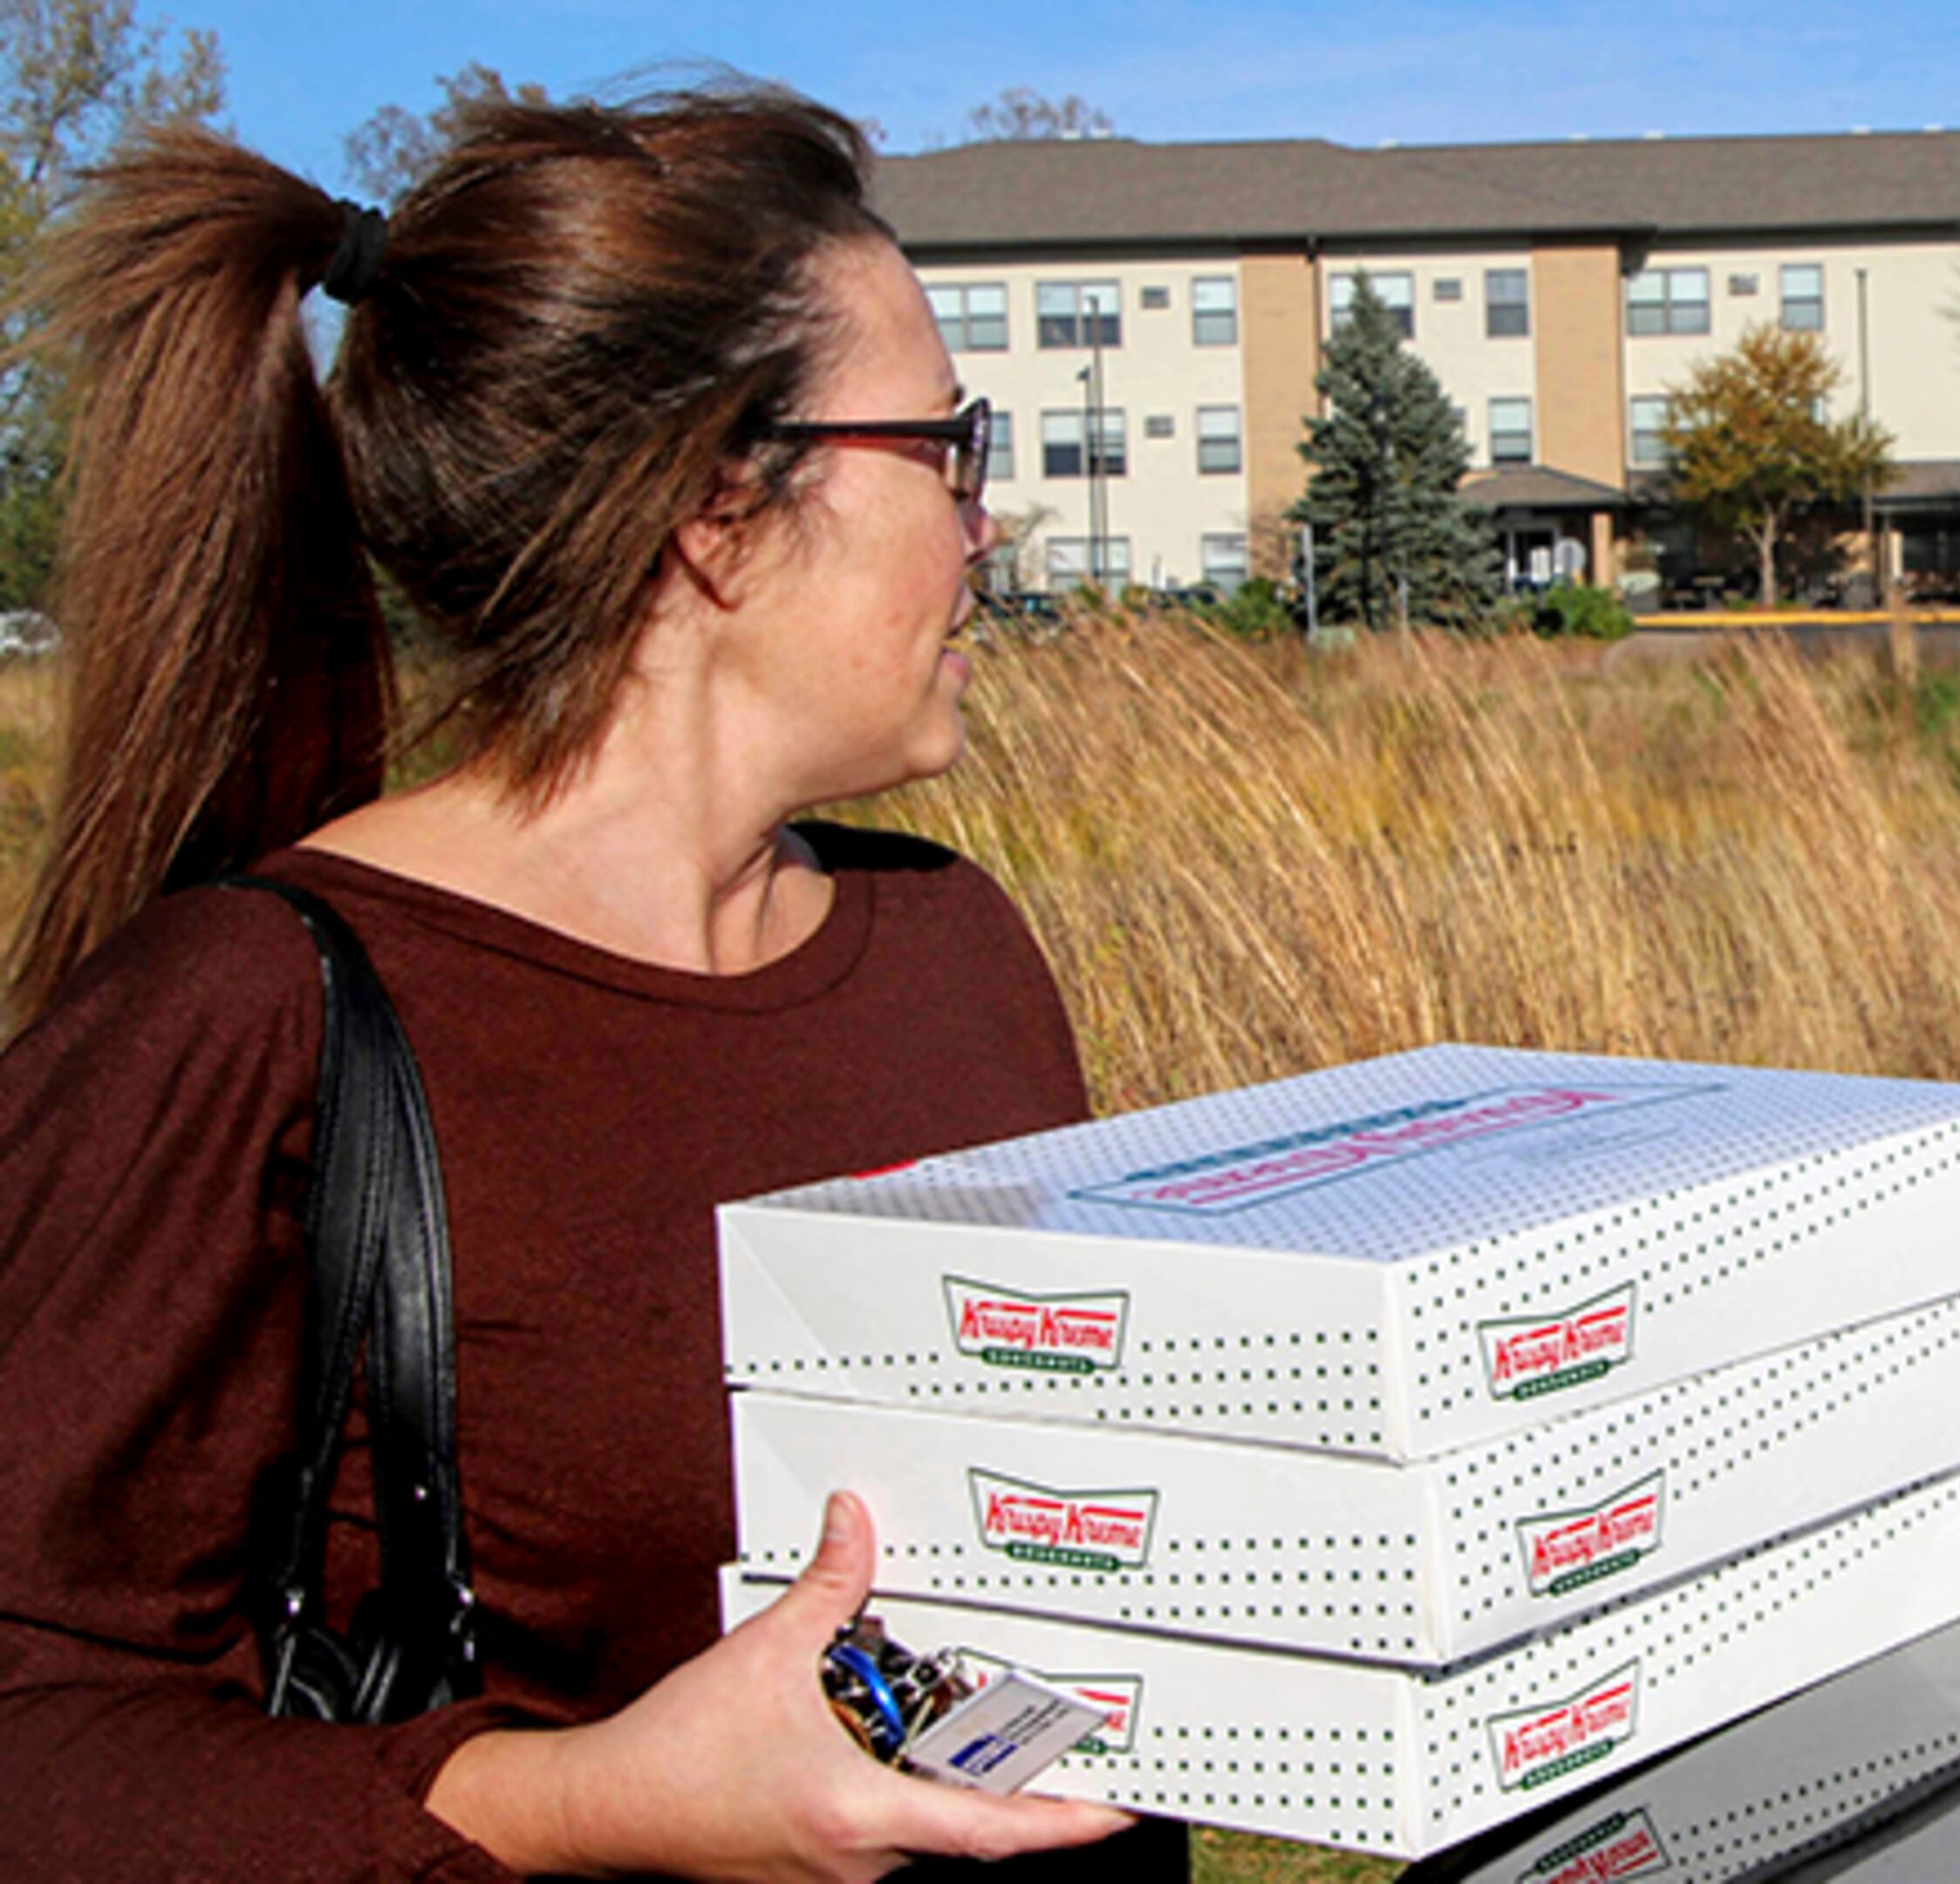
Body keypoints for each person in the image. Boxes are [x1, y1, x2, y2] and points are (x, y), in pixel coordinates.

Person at [0, 92, 1182, 1879]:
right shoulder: (241, 1021)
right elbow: (35, 1740)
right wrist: (580, 1804)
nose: (984, 524)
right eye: (947, 448)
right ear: (719, 505)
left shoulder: (956, 949)